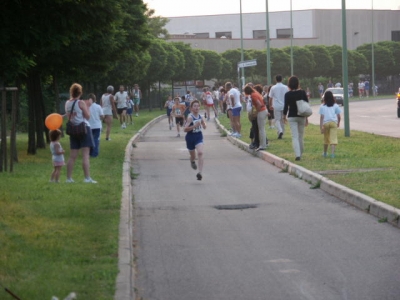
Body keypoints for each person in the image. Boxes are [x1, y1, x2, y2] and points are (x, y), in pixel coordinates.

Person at [65, 83, 97, 183]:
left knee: (72, 156)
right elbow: (87, 116)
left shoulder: (67, 103)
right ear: (80, 92)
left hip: (73, 130)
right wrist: (88, 106)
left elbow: (69, 115)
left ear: (71, 92)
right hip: (84, 129)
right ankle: (87, 178)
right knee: (85, 155)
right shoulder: (81, 103)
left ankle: (69, 178)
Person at [283, 76, 309, 161]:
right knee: (301, 136)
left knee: (294, 136)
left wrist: (284, 116)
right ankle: (300, 153)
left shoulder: (287, 94)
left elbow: (286, 107)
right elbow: (306, 104)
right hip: (301, 116)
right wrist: (306, 117)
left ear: (289, 84)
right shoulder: (302, 92)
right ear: (298, 83)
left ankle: (297, 155)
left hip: (292, 116)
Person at [184, 100, 207, 181]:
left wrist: (204, 124)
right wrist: (194, 126)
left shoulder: (200, 116)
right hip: (190, 137)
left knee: (200, 152)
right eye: (195, 106)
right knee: (193, 156)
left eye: (198, 106)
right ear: (191, 108)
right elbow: (185, 129)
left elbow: (204, 126)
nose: (197, 107)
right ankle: (192, 161)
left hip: (198, 136)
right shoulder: (190, 117)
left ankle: (200, 173)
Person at [245, 85, 268, 151]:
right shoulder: (256, 93)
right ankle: (264, 143)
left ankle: (262, 145)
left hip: (261, 111)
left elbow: (259, 104)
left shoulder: (253, 95)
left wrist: (256, 113)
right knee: (262, 129)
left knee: (261, 129)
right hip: (264, 110)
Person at [319, 91, 341, 158]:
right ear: (332, 97)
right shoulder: (335, 105)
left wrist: (321, 127)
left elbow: (322, 117)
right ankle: (332, 154)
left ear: (324, 98)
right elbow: (339, 116)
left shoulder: (322, 106)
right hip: (333, 123)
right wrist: (338, 123)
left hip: (326, 123)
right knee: (333, 139)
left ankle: (325, 153)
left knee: (326, 139)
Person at [269, 74, 289, 140]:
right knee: (282, 119)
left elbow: (270, 97)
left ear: (275, 80)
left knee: (277, 119)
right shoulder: (285, 87)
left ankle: (280, 131)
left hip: (276, 105)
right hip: (284, 105)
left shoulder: (273, 87)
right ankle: (282, 132)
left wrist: (270, 105)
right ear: (282, 79)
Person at [86, 93, 104, 158]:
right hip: (97, 125)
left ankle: (90, 152)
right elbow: (102, 116)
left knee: (90, 139)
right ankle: (95, 153)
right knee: (96, 139)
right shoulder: (98, 106)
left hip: (89, 125)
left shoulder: (87, 107)